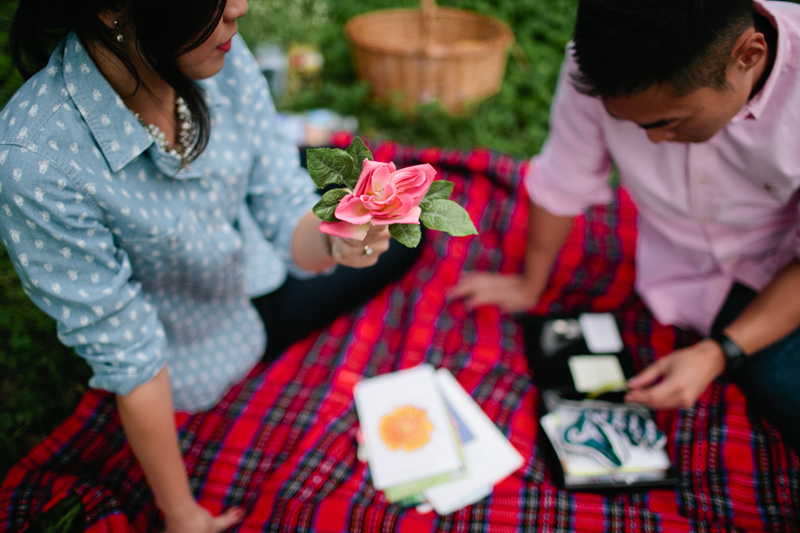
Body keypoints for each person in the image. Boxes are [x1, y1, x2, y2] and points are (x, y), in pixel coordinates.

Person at [0, 0, 419, 530]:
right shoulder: (35, 163)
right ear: (110, 8)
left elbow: (279, 203)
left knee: (402, 229)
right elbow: (130, 354)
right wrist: (182, 513)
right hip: (200, 342)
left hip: (254, 258)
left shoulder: (215, 50)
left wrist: (338, 244)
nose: (240, 7)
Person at [452, 0, 800, 451]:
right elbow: (563, 179)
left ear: (748, 55)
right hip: (674, 274)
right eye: (629, 123)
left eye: (670, 122)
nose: (652, 139)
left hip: (780, 274)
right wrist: (529, 282)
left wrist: (719, 352)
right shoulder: (600, 63)